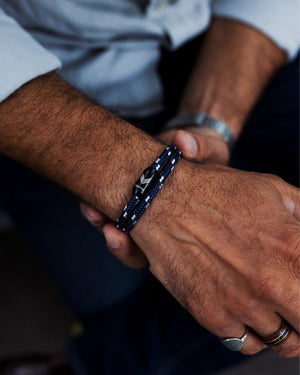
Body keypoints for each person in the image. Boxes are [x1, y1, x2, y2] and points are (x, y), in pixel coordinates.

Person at [0, 1, 299, 374]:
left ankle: (93, 364)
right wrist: (164, 198)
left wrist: (206, 127)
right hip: (45, 80)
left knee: (268, 285)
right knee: (132, 301)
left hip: (227, 37)